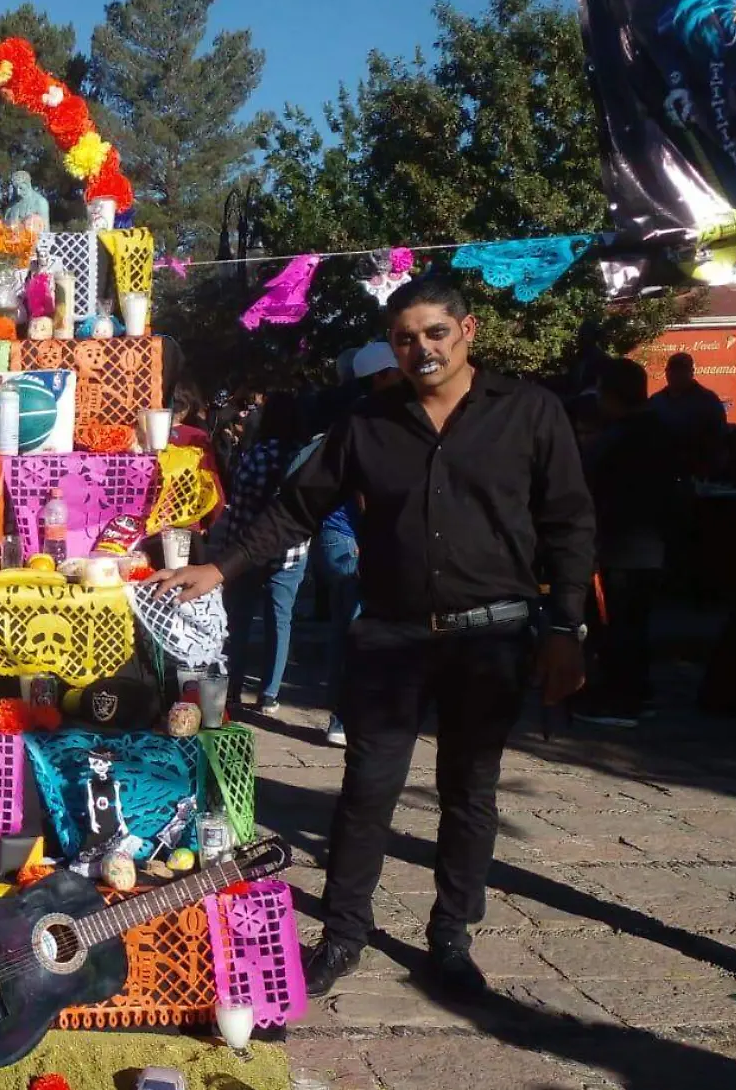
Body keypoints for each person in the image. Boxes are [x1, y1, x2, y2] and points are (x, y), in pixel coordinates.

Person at [146, 277, 594, 1002]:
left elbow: (570, 523)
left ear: (467, 331)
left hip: (492, 637)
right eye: (406, 337)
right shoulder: (368, 422)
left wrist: (567, 627)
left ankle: (450, 936)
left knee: (468, 792)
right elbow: (296, 509)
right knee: (366, 789)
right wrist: (220, 566)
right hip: (391, 639)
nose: (422, 349)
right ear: (392, 345)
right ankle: (344, 933)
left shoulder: (529, 413)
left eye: (435, 333)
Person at [571, 358, 673, 728]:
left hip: (620, 546)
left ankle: (621, 698)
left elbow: (599, 494)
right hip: (650, 545)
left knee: (617, 625)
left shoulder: (621, 438)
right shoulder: (662, 430)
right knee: (635, 623)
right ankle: (637, 692)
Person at [314, 342, 405, 746]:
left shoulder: (348, 414)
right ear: (384, 375)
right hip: (353, 537)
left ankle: (355, 712)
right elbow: (364, 489)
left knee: (350, 628)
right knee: (356, 629)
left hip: (342, 536)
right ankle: (344, 717)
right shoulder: (368, 419)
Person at [213, 393, 309, 713]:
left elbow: (239, 504)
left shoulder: (256, 454)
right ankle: (269, 693)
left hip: (247, 550)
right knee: (280, 621)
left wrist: (229, 550)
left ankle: (232, 688)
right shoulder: (305, 457)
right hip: (292, 552)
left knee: (239, 622)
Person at [649, 351, 727, 480]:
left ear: (691, 372)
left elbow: (719, 437)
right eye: (673, 370)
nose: (677, 374)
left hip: (698, 473)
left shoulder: (708, 400)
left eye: (682, 370)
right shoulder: (656, 400)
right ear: (667, 372)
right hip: (662, 472)